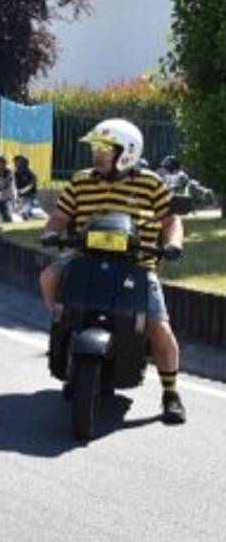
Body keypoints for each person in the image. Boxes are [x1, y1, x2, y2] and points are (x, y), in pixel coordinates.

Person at [38, 119, 186, 424]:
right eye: (96, 147)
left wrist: (172, 244)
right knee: (49, 277)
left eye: (104, 148)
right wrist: (50, 232)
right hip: (85, 259)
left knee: (159, 326)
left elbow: (171, 220)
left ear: (127, 151)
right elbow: (60, 215)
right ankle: (64, 327)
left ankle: (171, 394)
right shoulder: (80, 180)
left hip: (137, 265)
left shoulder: (150, 183)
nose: (97, 153)